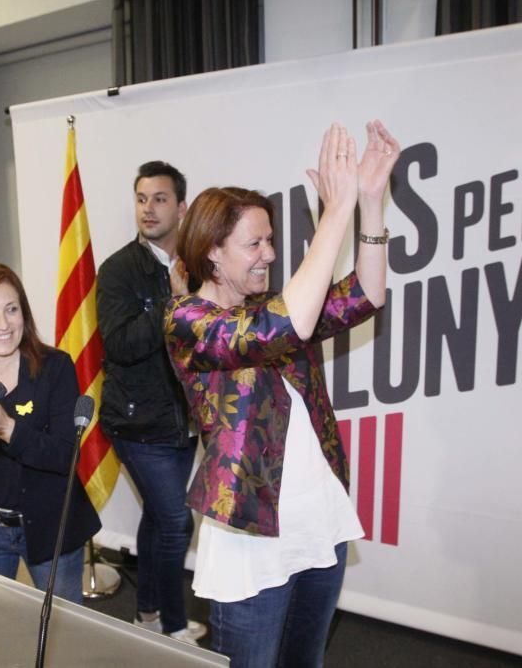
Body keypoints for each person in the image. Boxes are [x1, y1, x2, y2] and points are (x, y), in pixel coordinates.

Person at [164, 121, 400, 667]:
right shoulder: (188, 319)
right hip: (250, 532)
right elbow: (282, 328)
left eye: (271, 239)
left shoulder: (275, 305)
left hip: (318, 518)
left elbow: (366, 293)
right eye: (254, 243)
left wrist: (368, 203)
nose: (269, 254)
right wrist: (333, 213)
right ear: (213, 253)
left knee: (305, 661)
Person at [0, 263, 101, 603]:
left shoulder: (54, 367)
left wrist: (6, 428)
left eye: (11, 309)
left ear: (24, 314)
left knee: (63, 631)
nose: (3, 324)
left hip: (52, 524)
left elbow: (64, 456)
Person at [96, 161, 205, 642]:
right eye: (141, 198)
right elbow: (118, 345)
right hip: (137, 424)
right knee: (176, 520)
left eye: (159, 198)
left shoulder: (200, 263)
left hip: (184, 420)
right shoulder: (119, 269)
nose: (148, 208)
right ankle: (172, 628)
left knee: (160, 518)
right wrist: (172, 304)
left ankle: (145, 614)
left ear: (181, 207)